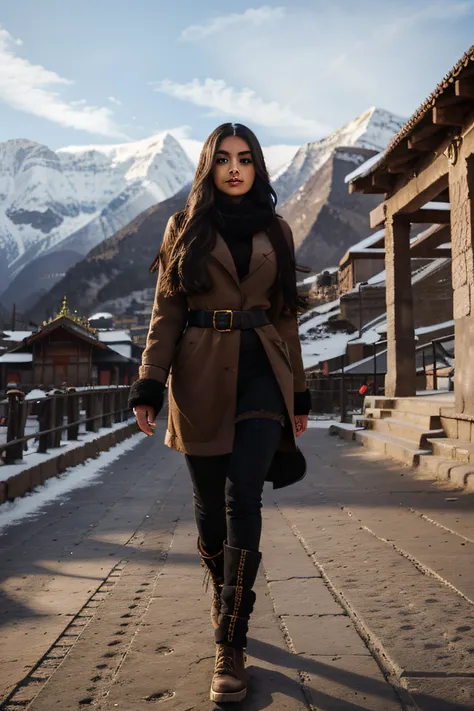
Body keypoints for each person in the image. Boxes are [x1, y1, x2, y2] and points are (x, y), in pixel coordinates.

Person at [129, 122, 311, 703]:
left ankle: (230, 640)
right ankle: (222, 588)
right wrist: (149, 384)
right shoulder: (182, 226)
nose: (236, 168)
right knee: (209, 510)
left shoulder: (277, 229)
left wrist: (299, 392)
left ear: (258, 166)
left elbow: (286, 315)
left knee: (243, 497)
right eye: (225, 159)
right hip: (199, 374)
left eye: (247, 158)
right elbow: (166, 313)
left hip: (263, 368)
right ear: (208, 167)